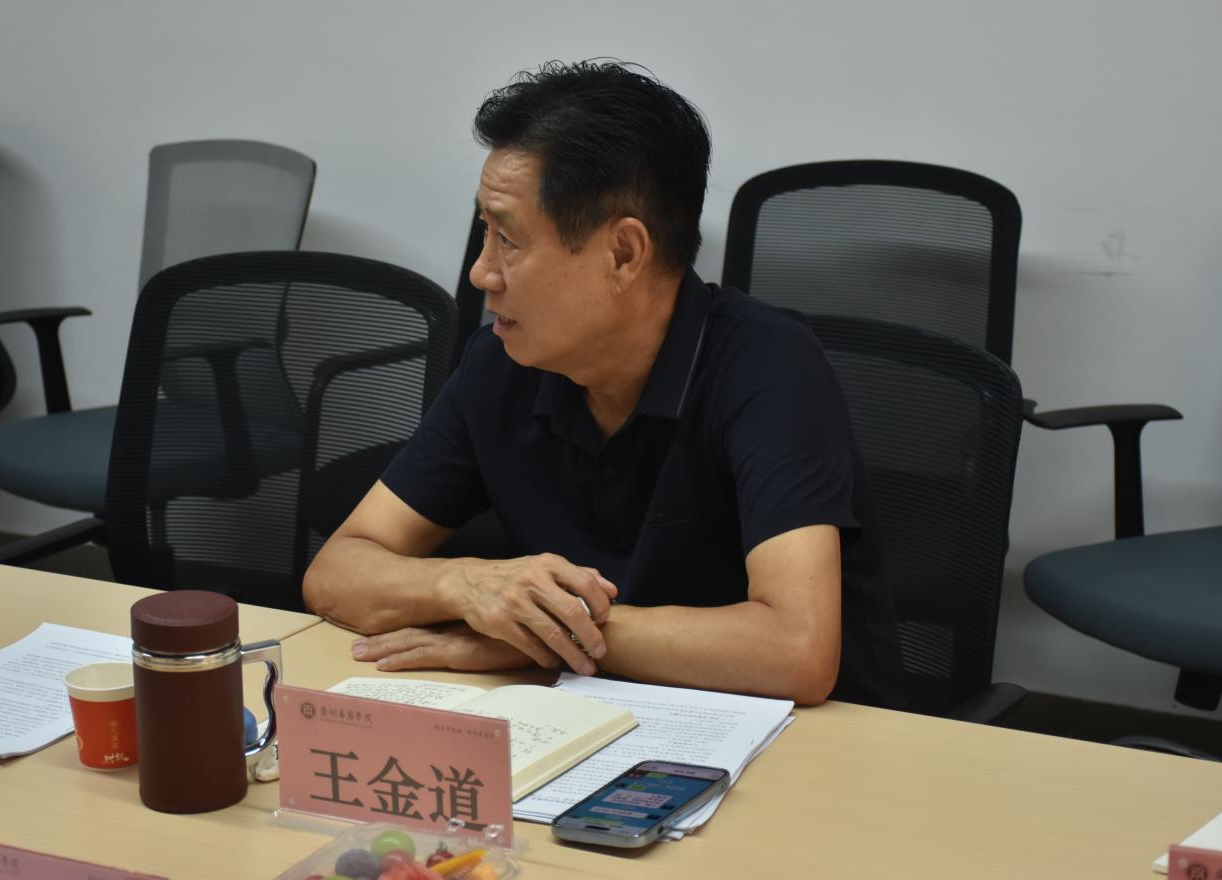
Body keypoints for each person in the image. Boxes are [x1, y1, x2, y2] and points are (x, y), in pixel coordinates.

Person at [303, 60, 904, 708]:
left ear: (623, 254)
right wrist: (465, 586)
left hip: (804, 741)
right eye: (484, 232)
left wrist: (553, 633)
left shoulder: (767, 366)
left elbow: (796, 651)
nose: (481, 272)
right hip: (588, 717)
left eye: (508, 239)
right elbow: (336, 571)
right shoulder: (501, 364)